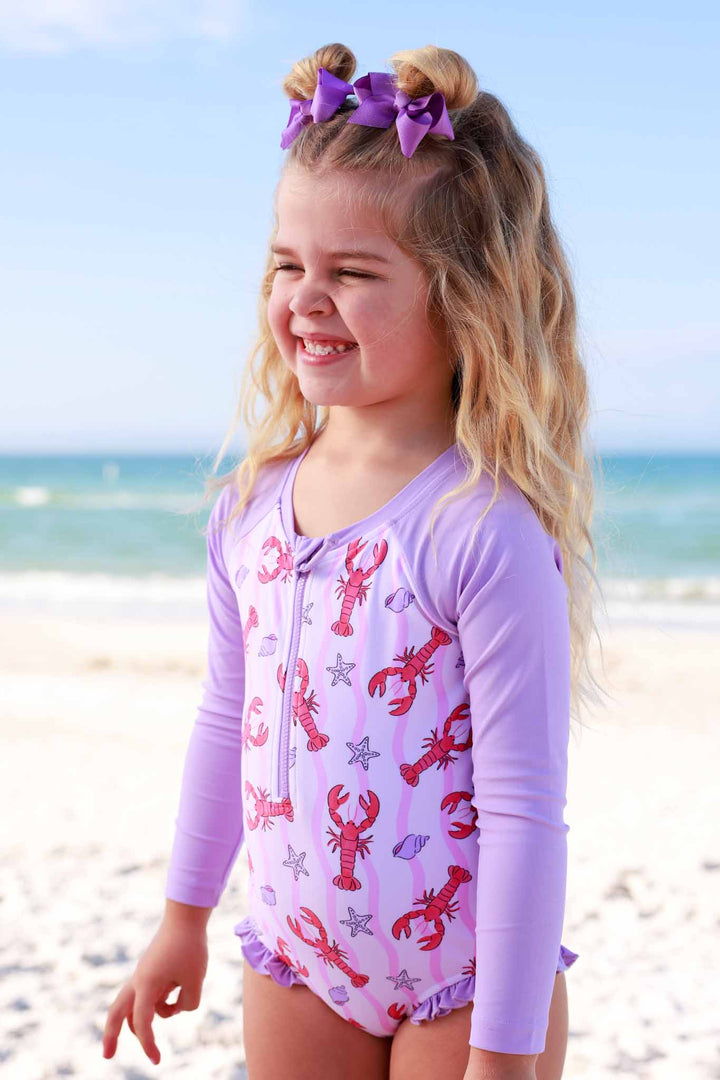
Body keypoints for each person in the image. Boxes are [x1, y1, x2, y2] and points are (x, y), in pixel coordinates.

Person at [102, 42, 606, 1080]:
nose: (304, 299)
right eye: (288, 265)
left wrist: (504, 1056)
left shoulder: (483, 529)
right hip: (294, 957)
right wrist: (183, 919)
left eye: (354, 272)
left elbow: (522, 812)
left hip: (461, 979)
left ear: (463, 299)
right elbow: (222, 718)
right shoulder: (251, 508)